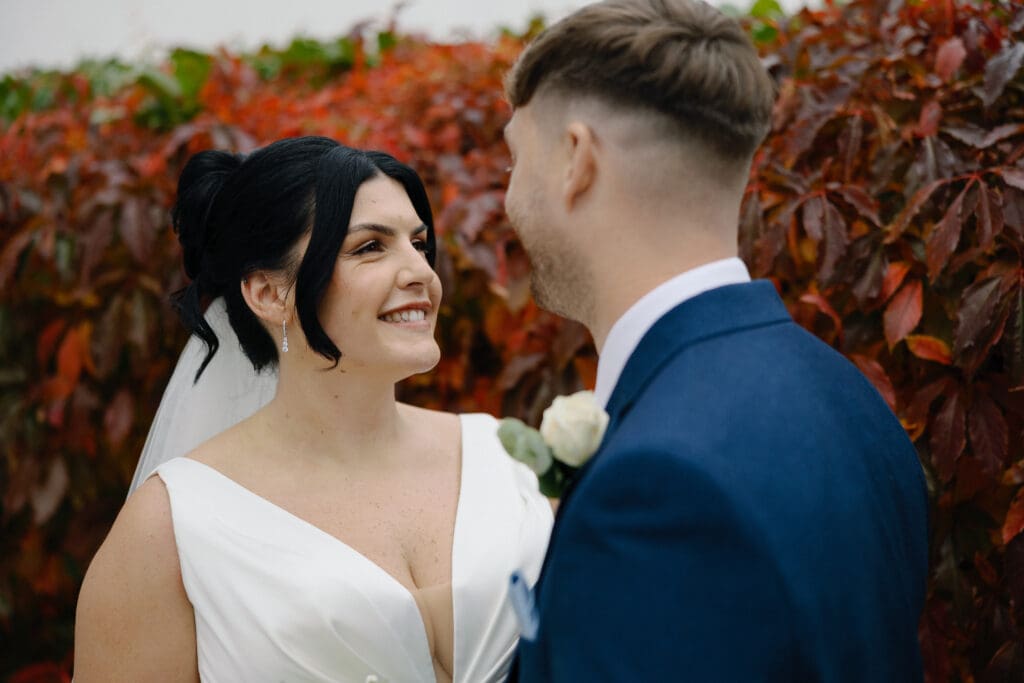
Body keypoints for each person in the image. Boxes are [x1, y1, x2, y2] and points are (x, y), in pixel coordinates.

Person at [501, 0, 929, 680]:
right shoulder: (849, 396)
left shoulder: (656, 491)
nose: (509, 197)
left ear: (575, 159)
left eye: (515, 158)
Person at [74, 137, 553, 683]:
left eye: (419, 244)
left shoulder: (507, 456)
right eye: (370, 247)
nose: (420, 271)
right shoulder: (170, 529)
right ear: (268, 294)